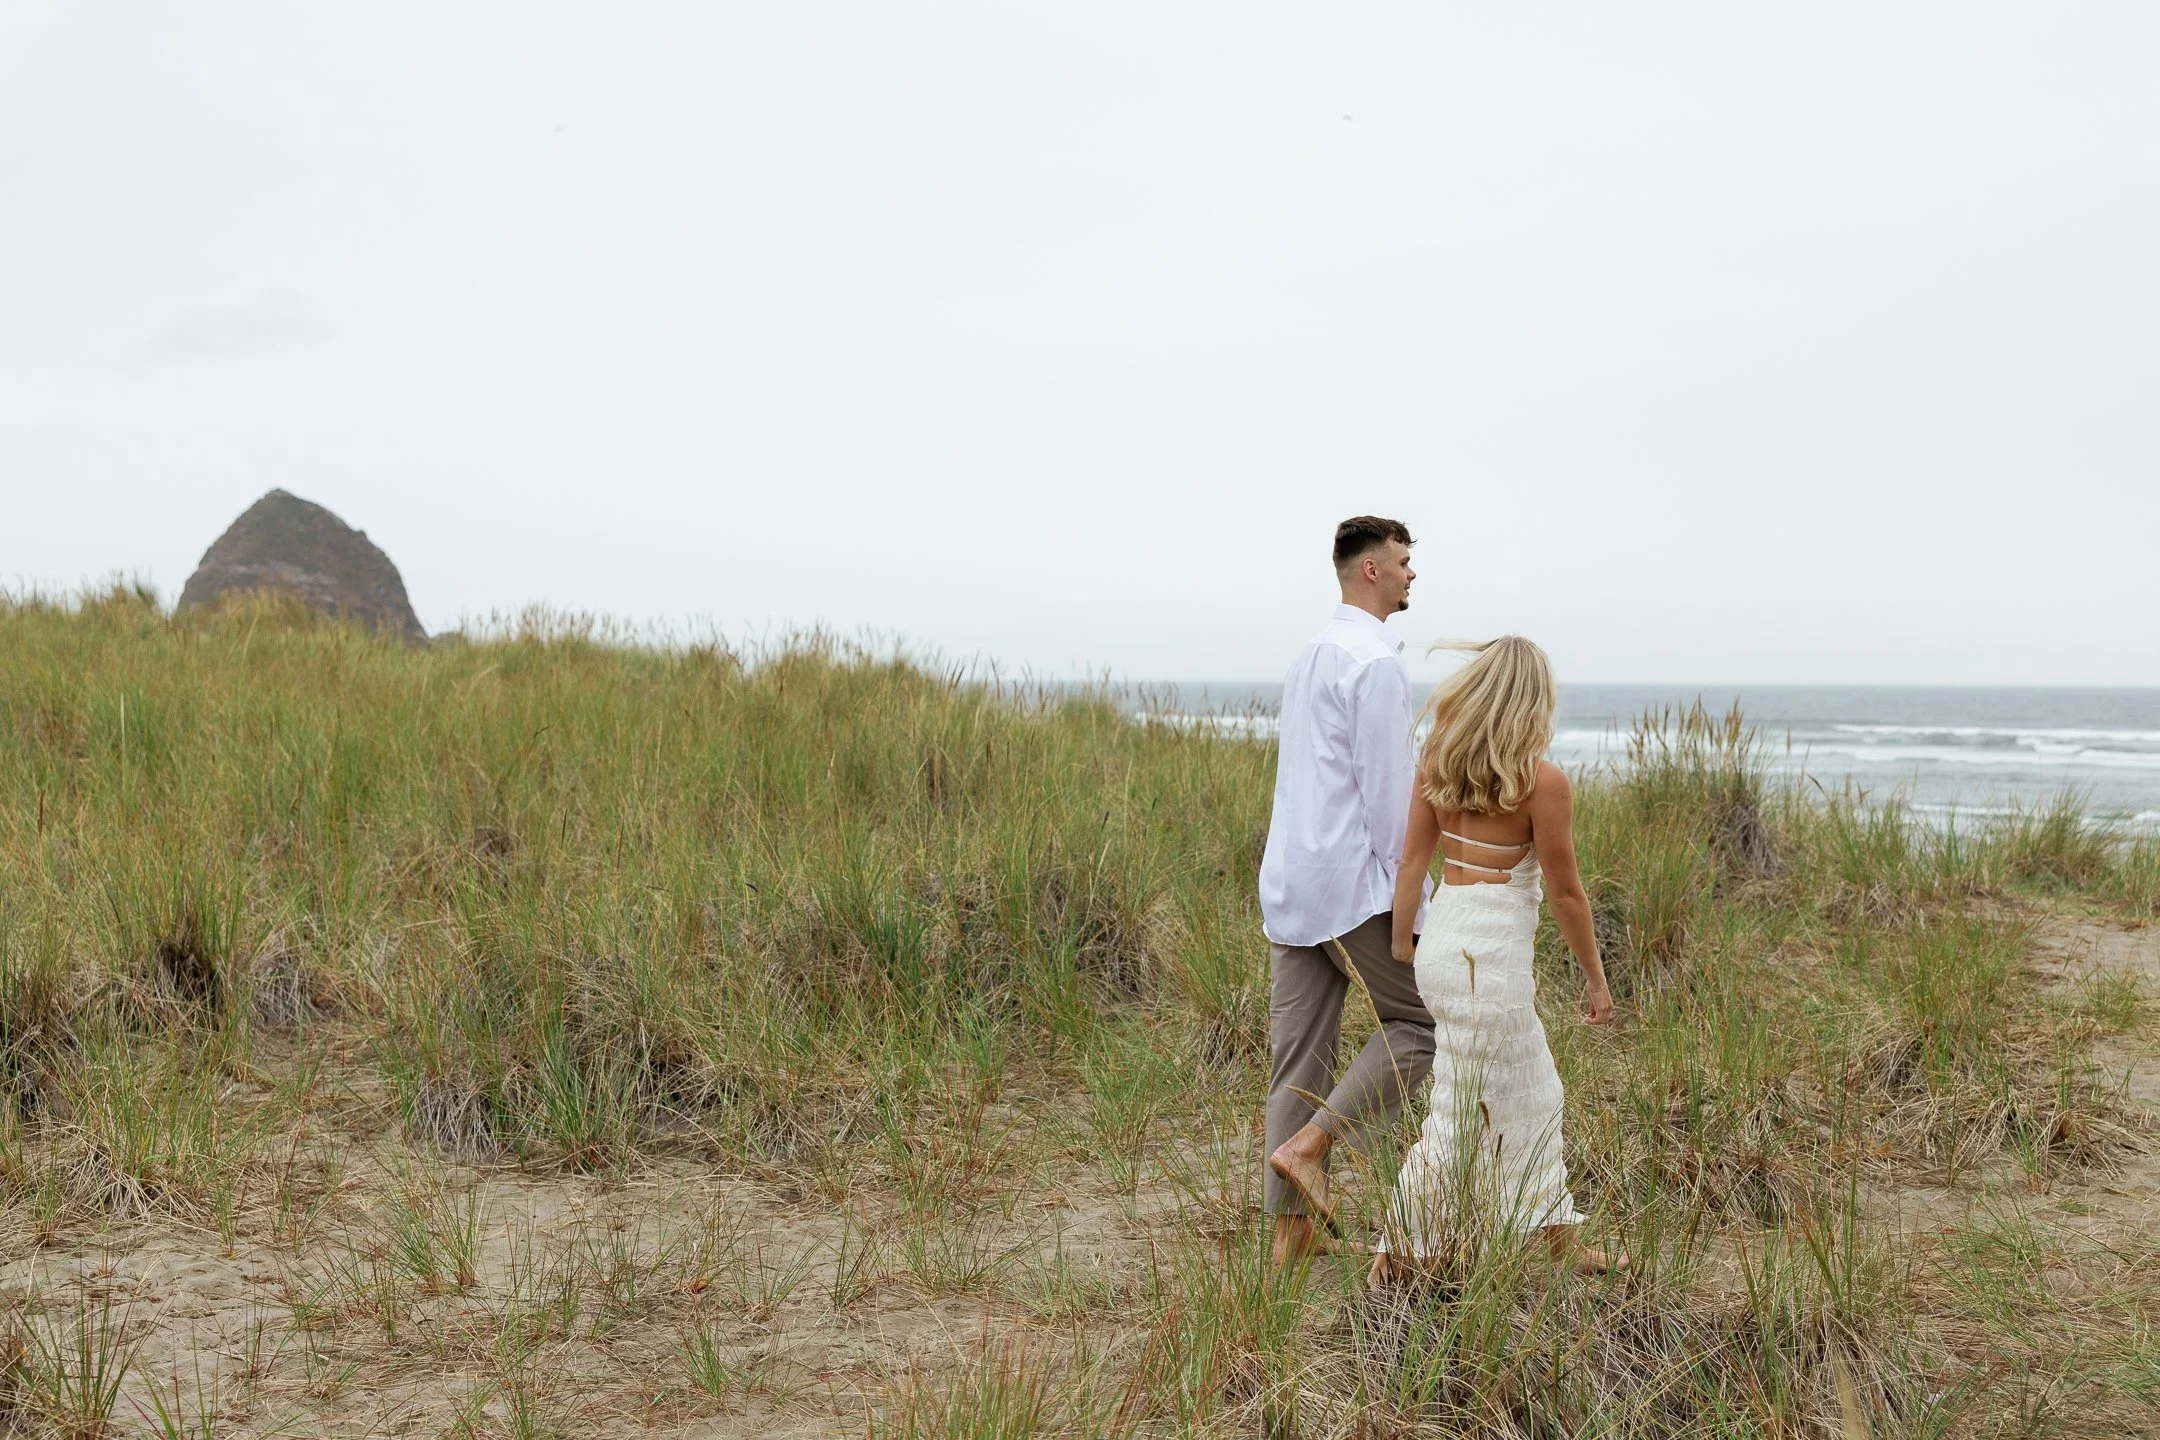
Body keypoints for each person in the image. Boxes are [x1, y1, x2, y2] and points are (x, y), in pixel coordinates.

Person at [1373, 636, 1623, 1284]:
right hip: (1493, 965)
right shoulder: (1543, 782)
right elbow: (1566, 893)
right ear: (1533, 702)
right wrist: (1597, 980)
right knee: (1461, 1112)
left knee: (1533, 1093)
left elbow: (1411, 864)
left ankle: (1556, 1239)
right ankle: (1399, 1254)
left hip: (1447, 950)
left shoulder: (1438, 762)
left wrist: (1404, 943)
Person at [1259, 516, 1435, 1269]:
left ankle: (1288, 1241)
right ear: (1370, 571)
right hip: (1349, 884)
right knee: (1421, 1023)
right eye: (1403, 562)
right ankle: (1314, 1143)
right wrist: (1415, 906)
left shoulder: (1309, 658)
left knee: (1296, 1059)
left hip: (1292, 880)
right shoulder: (1375, 666)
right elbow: (1394, 802)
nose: (1411, 575)